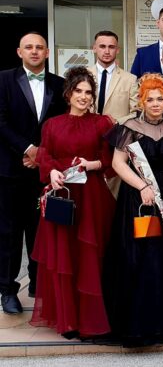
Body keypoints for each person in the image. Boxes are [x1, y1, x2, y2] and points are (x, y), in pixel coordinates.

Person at [103, 73, 163, 346]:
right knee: (139, 257)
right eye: (150, 99)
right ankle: (138, 324)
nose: (155, 104)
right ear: (142, 101)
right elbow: (118, 164)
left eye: (160, 99)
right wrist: (143, 186)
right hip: (138, 200)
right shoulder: (128, 127)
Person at [30, 66, 115, 338]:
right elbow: (45, 155)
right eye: (78, 91)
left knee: (90, 257)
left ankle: (92, 320)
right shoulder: (52, 125)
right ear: (68, 93)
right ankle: (68, 321)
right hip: (62, 197)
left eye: (88, 92)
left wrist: (91, 164)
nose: (83, 96)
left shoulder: (102, 123)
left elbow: (109, 160)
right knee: (64, 257)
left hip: (91, 198)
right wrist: (52, 171)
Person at [0, 32, 66, 314]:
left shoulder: (59, 84)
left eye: (40, 47)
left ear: (47, 52)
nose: (35, 51)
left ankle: (39, 285)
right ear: (19, 52)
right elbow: (1, 121)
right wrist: (29, 149)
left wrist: (43, 156)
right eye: (29, 47)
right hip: (10, 171)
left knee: (41, 230)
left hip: (44, 171)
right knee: (9, 233)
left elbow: (62, 125)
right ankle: (7, 290)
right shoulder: (3, 80)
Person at [88, 30, 138, 124]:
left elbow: (136, 112)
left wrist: (115, 122)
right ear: (94, 48)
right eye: (102, 46)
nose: (107, 51)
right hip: (87, 129)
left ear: (117, 50)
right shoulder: (83, 76)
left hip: (117, 130)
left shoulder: (130, 79)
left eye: (111, 47)